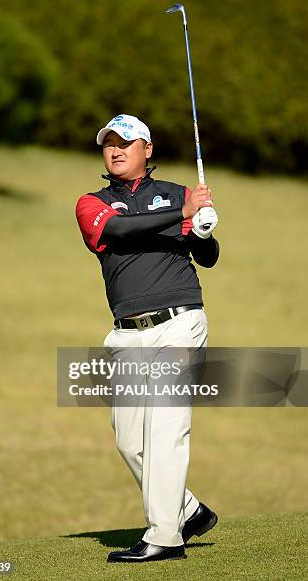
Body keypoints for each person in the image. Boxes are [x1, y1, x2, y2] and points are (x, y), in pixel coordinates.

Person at [75, 114, 219, 563]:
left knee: (165, 430)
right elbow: (118, 231)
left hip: (179, 322)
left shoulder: (178, 194)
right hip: (127, 333)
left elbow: (209, 256)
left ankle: (165, 537)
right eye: (109, 144)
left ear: (148, 149)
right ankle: (188, 510)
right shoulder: (91, 203)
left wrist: (203, 228)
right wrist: (182, 214)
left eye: (126, 142)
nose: (116, 150)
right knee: (129, 442)